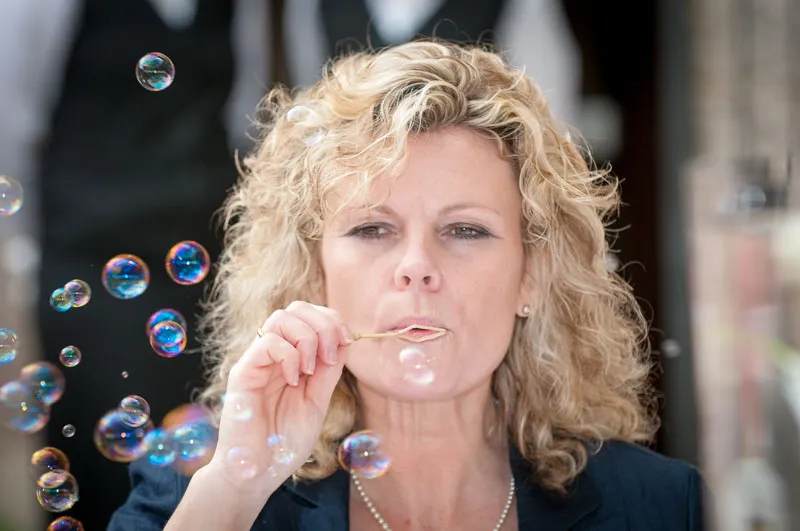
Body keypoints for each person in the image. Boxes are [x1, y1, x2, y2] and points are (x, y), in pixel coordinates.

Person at [109, 40, 707, 530]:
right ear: (314, 273)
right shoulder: (191, 493)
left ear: (531, 275)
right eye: (372, 228)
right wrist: (237, 487)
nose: (417, 266)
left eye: (466, 230)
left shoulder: (663, 506)